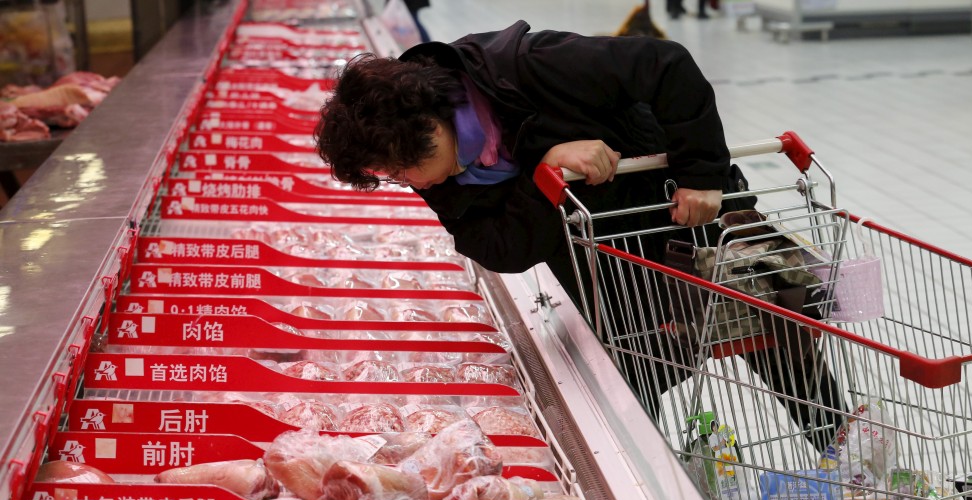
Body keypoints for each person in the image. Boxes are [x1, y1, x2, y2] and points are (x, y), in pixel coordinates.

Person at [315, 22, 847, 452]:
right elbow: (500, 248)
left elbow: (667, 67)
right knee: (634, 379)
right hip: (602, 265)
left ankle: (852, 463)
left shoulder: (527, 67)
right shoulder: (442, 168)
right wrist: (541, 176)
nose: (413, 182)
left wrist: (701, 174)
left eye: (406, 168)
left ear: (432, 122)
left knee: (780, 334)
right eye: (393, 176)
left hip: (681, 214)